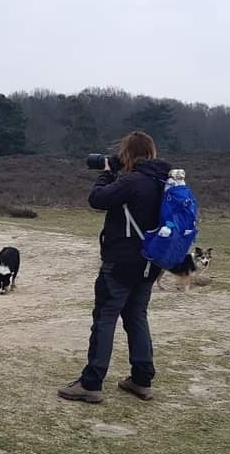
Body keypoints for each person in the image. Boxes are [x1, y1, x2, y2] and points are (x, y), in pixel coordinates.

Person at [58, 131, 171, 403]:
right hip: (151, 262)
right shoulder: (164, 182)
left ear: (127, 154)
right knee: (137, 317)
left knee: (105, 318)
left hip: (121, 262)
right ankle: (142, 380)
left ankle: (91, 383)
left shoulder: (132, 181)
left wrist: (108, 172)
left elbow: (96, 199)